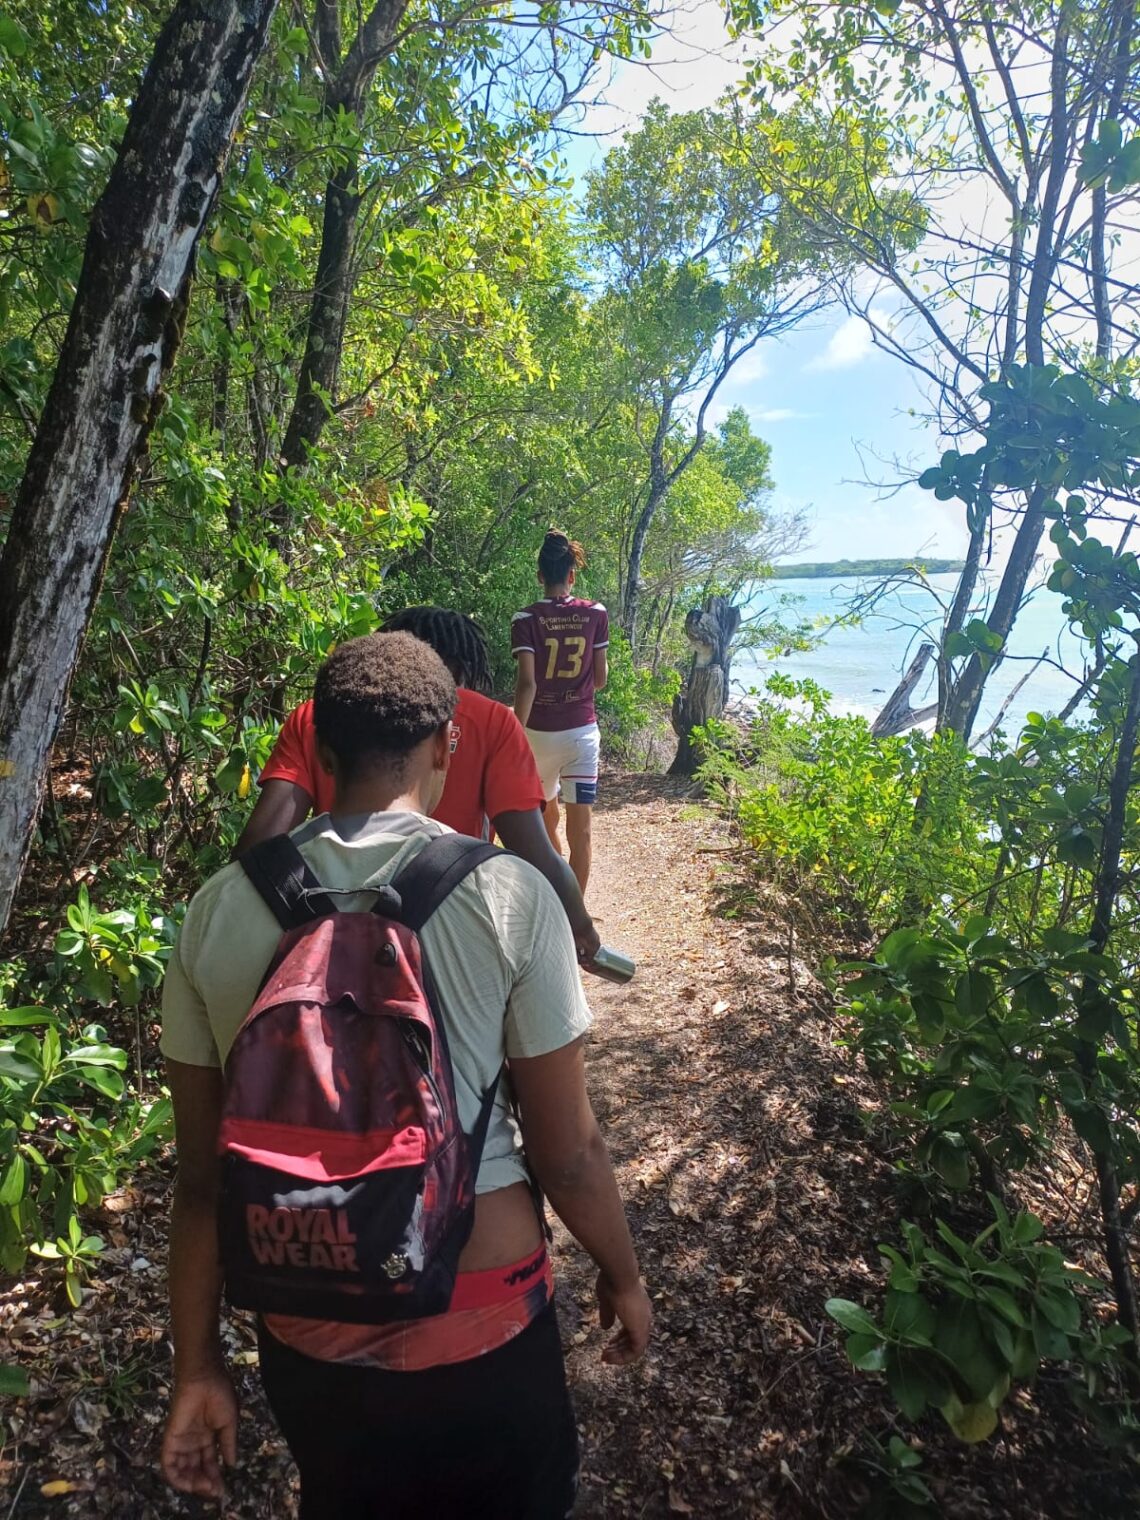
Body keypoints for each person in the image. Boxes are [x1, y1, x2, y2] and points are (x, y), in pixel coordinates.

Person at [159, 632, 651, 1516]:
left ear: (318, 752)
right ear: (444, 746)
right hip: (483, 1302)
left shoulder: (217, 909)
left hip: (309, 1314)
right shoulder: (509, 896)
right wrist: (623, 1273)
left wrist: (197, 1369)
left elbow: (201, 1183)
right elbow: (568, 1151)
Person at [235, 606, 599, 962]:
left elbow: (258, 845)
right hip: (453, 932)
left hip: (328, 934)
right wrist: (579, 924)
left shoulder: (317, 716)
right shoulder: (492, 721)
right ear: (461, 668)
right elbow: (536, 854)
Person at [512, 531, 608, 894]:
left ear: (540, 575)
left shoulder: (525, 618)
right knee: (581, 831)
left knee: (545, 819)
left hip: (538, 736)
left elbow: (527, 685)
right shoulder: (595, 613)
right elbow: (600, 679)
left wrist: (513, 734)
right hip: (581, 734)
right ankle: (575, 913)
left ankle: (555, 891)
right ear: (572, 575)